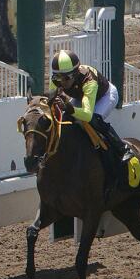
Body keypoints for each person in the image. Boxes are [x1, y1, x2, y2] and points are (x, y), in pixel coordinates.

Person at [49, 50, 130, 200]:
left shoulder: (89, 80)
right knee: (66, 118)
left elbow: (86, 114)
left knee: (93, 120)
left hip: (104, 96)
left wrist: (68, 107)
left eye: (66, 78)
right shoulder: (56, 80)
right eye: (58, 78)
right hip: (82, 96)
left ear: (75, 73)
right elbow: (51, 102)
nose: (63, 83)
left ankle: (122, 148)